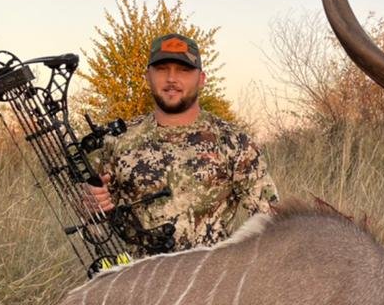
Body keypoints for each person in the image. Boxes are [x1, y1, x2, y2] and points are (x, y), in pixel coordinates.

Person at [84, 33, 278, 255]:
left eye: (184, 70)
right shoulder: (117, 140)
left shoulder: (234, 141)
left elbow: (269, 220)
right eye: (162, 69)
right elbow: (94, 217)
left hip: (208, 281)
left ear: (201, 79)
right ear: (148, 76)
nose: (171, 79)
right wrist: (89, 203)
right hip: (137, 281)